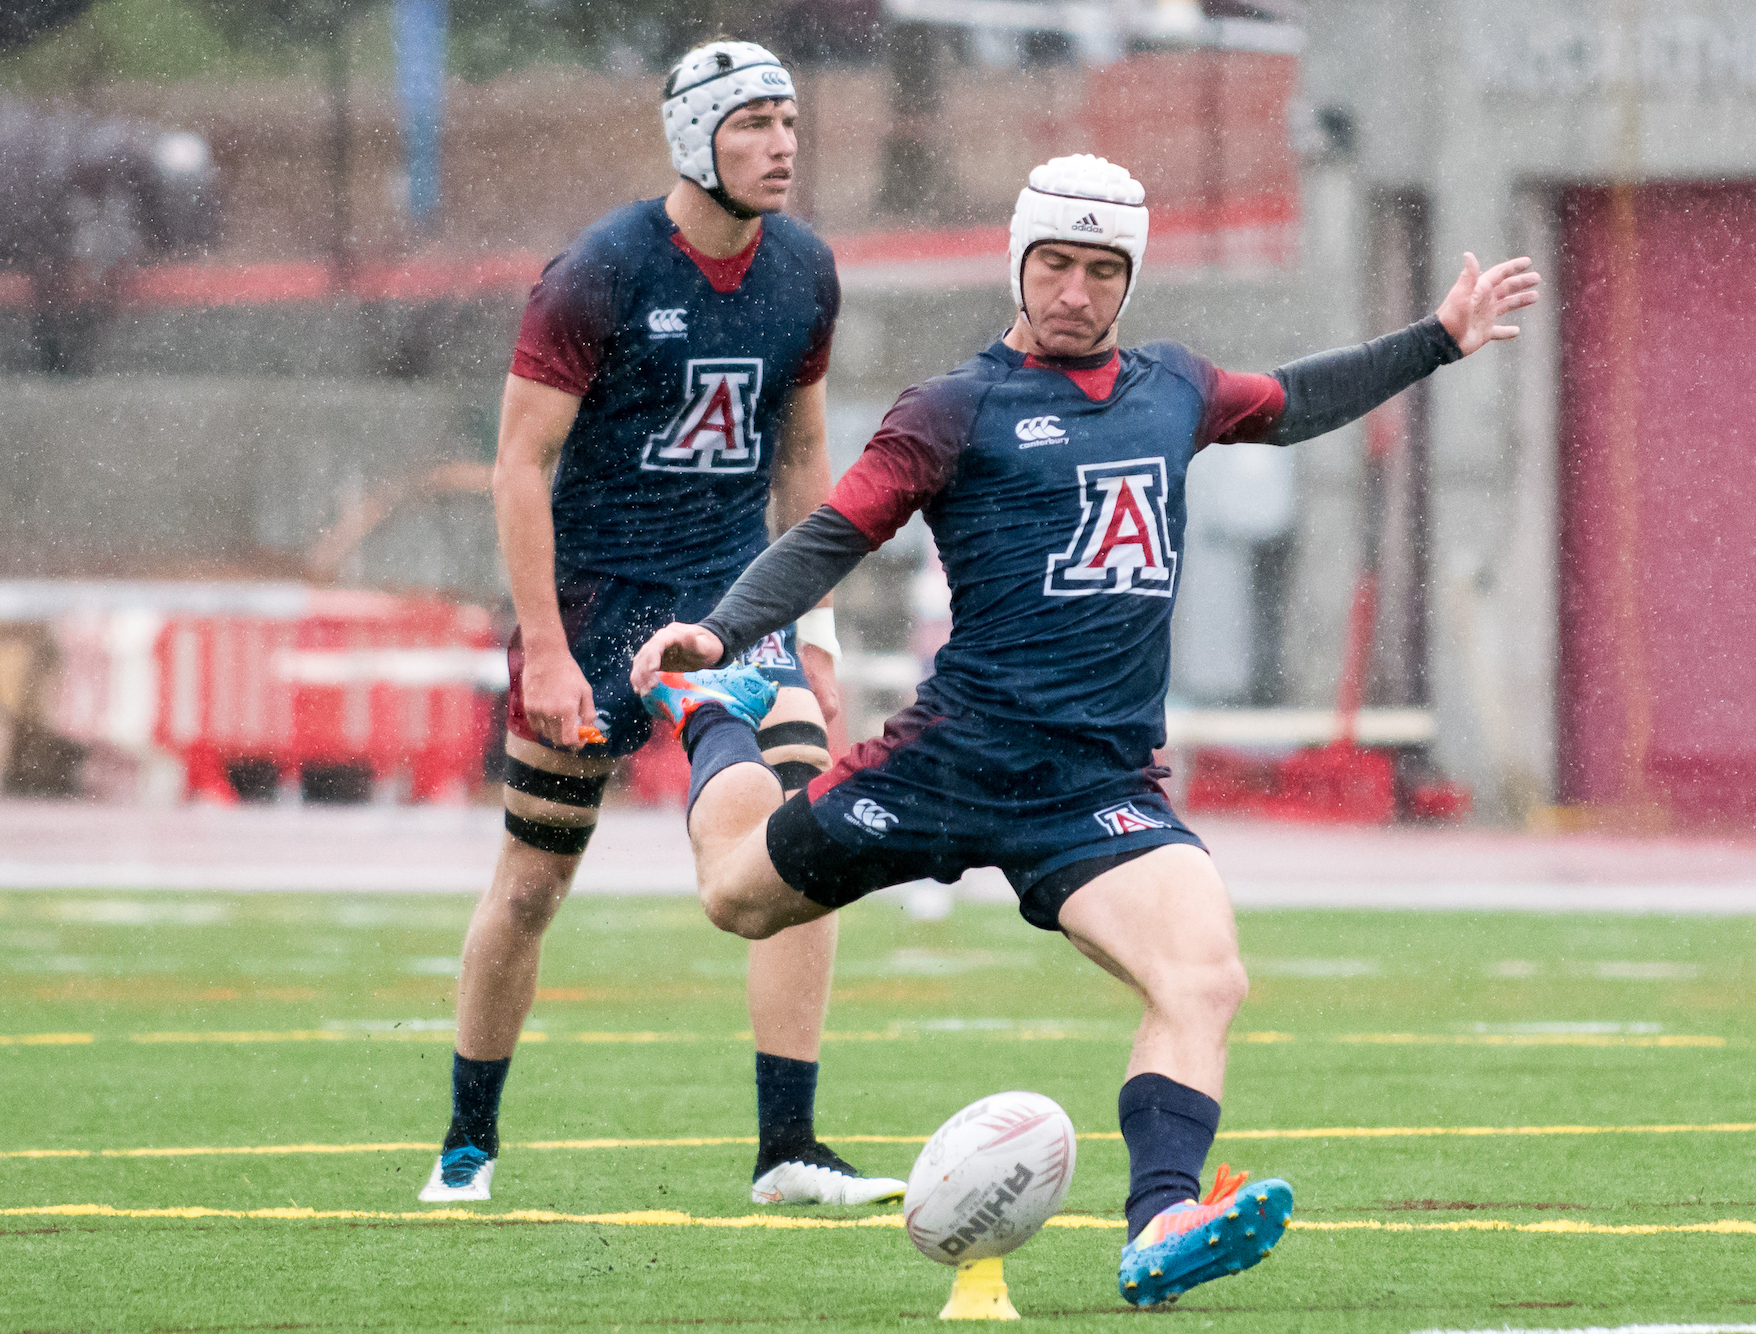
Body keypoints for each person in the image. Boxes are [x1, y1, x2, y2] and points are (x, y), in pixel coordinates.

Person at [628, 154, 1540, 1304]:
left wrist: (1437, 338)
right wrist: (715, 635)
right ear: (1019, 262)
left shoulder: (1174, 386)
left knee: (1203, 977)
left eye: (1101, 269)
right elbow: (831, 533)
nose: (1074, 290)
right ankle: (716, 717)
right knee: (734, 896)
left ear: (1129, 276)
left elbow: (1293, 399)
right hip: (951, 761)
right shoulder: (952, 408)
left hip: (1094, 785)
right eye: (1054, 263)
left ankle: (1159, 1219)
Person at [420, 39, 903, 1210]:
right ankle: (466, 1141)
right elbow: (518, 466)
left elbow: (801, 456)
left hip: (731, 605)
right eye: (753, 124)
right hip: (591, 608)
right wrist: (541, 646)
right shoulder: (599, 270)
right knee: (533, 880)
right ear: (695, 138)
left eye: (789, 122)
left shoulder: (804, 272)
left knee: (800, 833)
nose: (782, 145)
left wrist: (818, 628)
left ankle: (786, 1144)